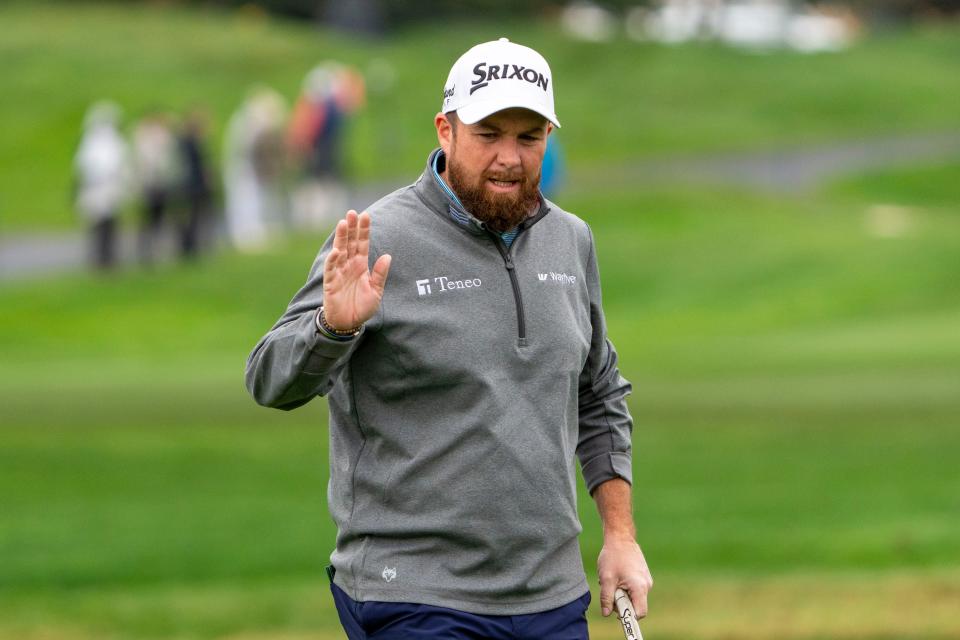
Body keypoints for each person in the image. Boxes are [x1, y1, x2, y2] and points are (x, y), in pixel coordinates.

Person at [246, 38, 652, 639]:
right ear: (445, 130)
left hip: (550, 595)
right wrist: (333, 328)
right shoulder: (375, 235)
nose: (510, 158)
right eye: (488, 134)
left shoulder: (572, 241)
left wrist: (620, 537)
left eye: (529, 137)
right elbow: (269, 379)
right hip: (412, 593)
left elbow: (597, 395)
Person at [74, 101, 129, 271]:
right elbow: (84, 167)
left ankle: (108, 258)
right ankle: (99, 259)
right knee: (98, 227)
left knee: (110, 227)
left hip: (110, 191)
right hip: (97, 191)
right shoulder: (91, 144)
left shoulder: (114, 143)